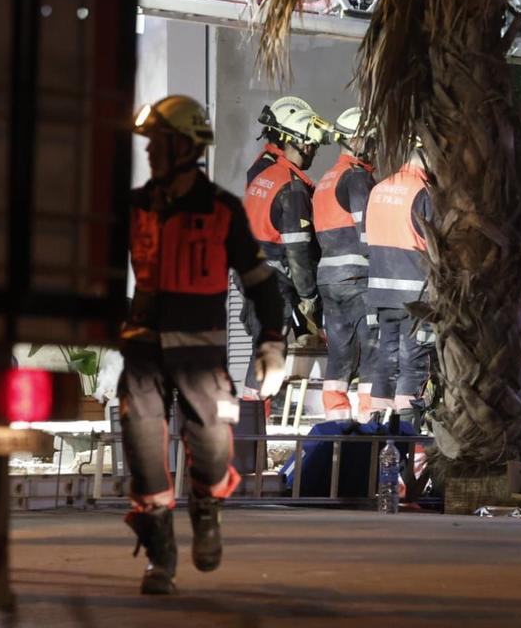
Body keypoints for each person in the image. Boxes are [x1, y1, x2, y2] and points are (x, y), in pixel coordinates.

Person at [123, 95, 287, 595]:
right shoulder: (135, 207)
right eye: (148, 144)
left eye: (159, 143)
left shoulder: (223, 211)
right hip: (145, 354)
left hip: (204, 358)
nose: (150, 152)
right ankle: (160, 555)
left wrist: (272, 343)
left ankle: (206, 507)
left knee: (214, 452)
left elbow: (261, 283)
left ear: (186, 147)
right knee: (145, 457)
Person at [241, 98, 328, 398]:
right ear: (297, 141)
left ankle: (252, 434)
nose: (313, 151)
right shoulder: (291, 187)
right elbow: (298, 252)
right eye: (311, 144)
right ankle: (251, 433)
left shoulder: (264, 174)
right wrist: (309, 297)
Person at [313, 107, 377, 421]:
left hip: (328, 278)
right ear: (356, 139)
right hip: (357, 278)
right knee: (371, 347)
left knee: (339, 352)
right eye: (371, 139)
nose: (375, 146)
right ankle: (368, 418)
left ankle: (336, 417)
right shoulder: (356, 177)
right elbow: (368, 232)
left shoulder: (326, 178)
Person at [364, 140, 434, 423]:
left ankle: (374, 429)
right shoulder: (423, 193)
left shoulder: (378, 188)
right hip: (415, 298)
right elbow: (439, 246)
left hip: (380, 296)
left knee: (386, 363)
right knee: (413, 367)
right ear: (427, 158)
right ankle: (406, 437)